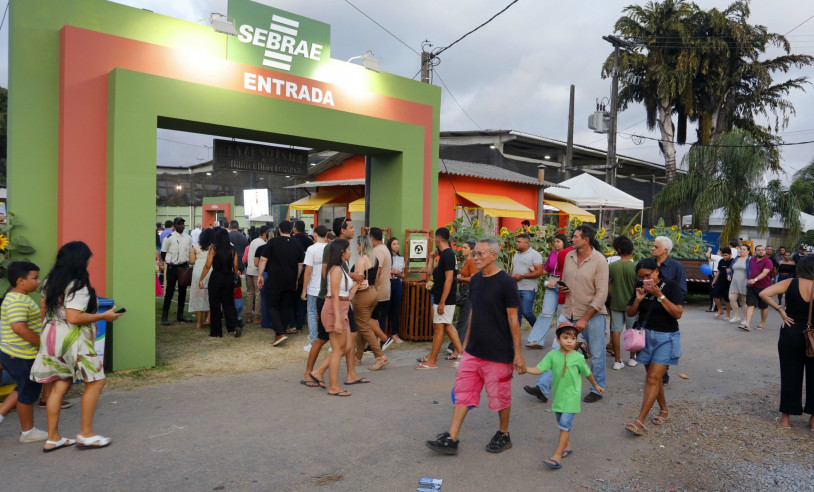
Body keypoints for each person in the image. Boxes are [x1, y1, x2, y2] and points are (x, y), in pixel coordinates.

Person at [425, 238, 524, 455]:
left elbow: (513, 319)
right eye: (475, 254)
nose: (475, 258)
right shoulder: (476, 280)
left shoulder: (506, 282)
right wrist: (465, 346)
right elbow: (473, 313)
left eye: (480, 254)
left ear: (493, 256)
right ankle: (452, 437)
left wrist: (518, 354)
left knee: (500, 396)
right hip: (474, 351)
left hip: (498, 352)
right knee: (463, 392)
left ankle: (503, 433)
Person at [31, 241, 124, 450]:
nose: (89, 261)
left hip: (51, 335)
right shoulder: (78, 285)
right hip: (73, 340)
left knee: (59, 384)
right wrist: (104, 316)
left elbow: (44, 307)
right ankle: (86, 433)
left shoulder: (49, 281)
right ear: (80, 260)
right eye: (88, 258)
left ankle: (53, 437)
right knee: (96, 382)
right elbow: (74, 317)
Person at [525, 323, 604, 469]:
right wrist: (525, 369)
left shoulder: (578, 358)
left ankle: (556, 456)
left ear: (576, 341)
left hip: (572, 398)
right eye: (565, 337)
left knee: (564, 426)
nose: (569, 341)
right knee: (562, 422)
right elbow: (539, 369)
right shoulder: (552, 356)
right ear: (558, 339)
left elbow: (588, 374)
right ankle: (567, 446)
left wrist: (596, 386)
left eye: (573, 338)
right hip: (559, 398)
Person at [624, 258, 684, 436]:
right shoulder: (640, 287)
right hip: (645, 338)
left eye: (647, 275)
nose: (644, 280)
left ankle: (639, 421)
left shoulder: (671, 286)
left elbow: (678, 313)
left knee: (652, 378)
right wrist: (638, 300)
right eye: (641, 277)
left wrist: (660, 296)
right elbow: (630, 312)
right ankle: (664, 410)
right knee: (654, 379)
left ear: (657, 271)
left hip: (666, 338)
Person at [554, 225, 608, 403]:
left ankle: (597, 389)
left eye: (576, 237)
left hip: (592, 315)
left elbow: (602, 294)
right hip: (569, 310)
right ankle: (543, 387)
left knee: (598, 354)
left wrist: (585, 318)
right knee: (557, 351)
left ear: (586, 240)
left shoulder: (599, 261)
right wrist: (563, 287)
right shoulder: (569, 256)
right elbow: (568, 280)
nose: (572, 239)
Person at [758, 256, 814, 430]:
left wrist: (780, 310)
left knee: (790, 374)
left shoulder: (790, 282)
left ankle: (786, 418)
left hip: (790, 330)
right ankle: (813, 420)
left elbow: (763, 293)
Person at [0, 261, 48, 444]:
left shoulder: (20, 298)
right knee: (27, 391)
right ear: (20, 281)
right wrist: (42, 343)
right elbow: (19, 328)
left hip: (18, 353)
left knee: (22, 387)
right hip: (19, 355)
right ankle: (28, 432)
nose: (38, 281)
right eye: (34, 278)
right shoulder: (17, 300)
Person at [319, 239, 361, 396]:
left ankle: (320, 373)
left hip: (342, 308)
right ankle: (333, 386)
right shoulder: (336, 270)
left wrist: (356, 286)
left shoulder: (341, 269)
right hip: (335, 310)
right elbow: (335, 297)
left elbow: (345, 297)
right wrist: (337, 319)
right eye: (348, 249)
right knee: (338, 350)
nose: (351, 251)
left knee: (346, 347)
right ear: (341, 252)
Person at [417, 227, 463, 369]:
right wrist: (432, 257)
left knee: (438, 329)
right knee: (447, 326)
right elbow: (432, 273)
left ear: (438, 238)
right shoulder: (444, 255)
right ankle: (462, 356)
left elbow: (449, 280)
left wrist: (442, 301)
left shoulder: (448, 255)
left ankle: (432, 361)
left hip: (444, 297)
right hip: (442, 296)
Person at [257, 220, 305, 346]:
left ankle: (280, 332)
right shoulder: (297, 244)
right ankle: (282, 330)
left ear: (279, 230)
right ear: (291, 230)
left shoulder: (273, 242)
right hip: (290, 279)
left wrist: (260, 275)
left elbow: (263, 259)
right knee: (285, 306)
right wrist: (297, 279)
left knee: (271, 305)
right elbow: (300, 264)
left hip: (275, 279)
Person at [351, 235, 389, 371]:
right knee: (363, 326)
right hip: (373, 293)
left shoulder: (361, 259)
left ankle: (380, 356)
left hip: (362, 296)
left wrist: (350, 295)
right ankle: (358, 356)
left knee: (364, 328)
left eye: (358, 244)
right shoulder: (375, 259)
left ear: (362, 245)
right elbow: (376, 279)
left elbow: (358, 280)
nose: (356, 247)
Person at [527, 234, 569, 350]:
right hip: (550, 283)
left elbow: (570, 273)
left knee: (562, 316)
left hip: (562, 284)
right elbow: (546, 269)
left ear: (564, 242)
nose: (555, 244)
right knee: (545, 312)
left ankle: (560, 342)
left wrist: (556, 281)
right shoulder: (553, 253)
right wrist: (535, 270)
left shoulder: (569, 255)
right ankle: (536, 340)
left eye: (558, 241)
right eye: (554, 241)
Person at [200, 228, 240, 338]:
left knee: (215, 304)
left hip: (216, 277)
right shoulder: (232, 249)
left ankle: (216, 331)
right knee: (229, 304)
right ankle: (234, 326)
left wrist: (201, 279)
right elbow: (235, 266)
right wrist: (235, 277)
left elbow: (208, 265)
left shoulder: (213, 248)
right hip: (228, 278)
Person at [607, 236, 638, 370]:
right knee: (632, 331)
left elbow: (607, 284)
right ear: (631, 251)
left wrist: (613, 295)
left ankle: (617, 361)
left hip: (616, 303)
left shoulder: (612, 266)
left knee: (616, 331)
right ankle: (632, 358)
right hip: (632, 305)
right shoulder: (635, 266)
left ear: (618, 250)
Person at [160, 217, 193, 326]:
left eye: (183, 223)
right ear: (174, 225)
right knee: (169, 291)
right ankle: (165, 316)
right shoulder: (169, 238)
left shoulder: (188, 238)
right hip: (172, 267)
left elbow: (189, 251)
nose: (181, 226)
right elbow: (163, 253)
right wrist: (169, 262)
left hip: (183, 266)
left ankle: (180, 315)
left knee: (182, 292)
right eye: (179, 224)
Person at [302, 225, 329, 351]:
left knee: (312, 314)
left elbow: (308, 271)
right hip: (328, 287)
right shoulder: (331, 248)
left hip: (313, 287)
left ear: (315, 233)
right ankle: (333, 344)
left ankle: (313, 342)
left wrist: (304, 290)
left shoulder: (311, 249)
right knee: (329, 315)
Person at [511, 233, 544, 330]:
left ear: (526, 243)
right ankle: (515, 338)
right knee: (517, 314)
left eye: (519, 242)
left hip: (528, 288)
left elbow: (539, 272)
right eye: (516, 241)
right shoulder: (516, 254)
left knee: (527, 312)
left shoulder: (535, 255)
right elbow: (513, 269)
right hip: (516, 288)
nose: (516, 243)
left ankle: (538, 331)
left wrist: (522, 275)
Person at [449, 240, 476, 353]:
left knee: (464, 319)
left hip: (468, 290)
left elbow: (473, 278)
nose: (462, 249)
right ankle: (457, 344)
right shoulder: (466, 261)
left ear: (471, 250)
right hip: (463, 289)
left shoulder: (472, 262)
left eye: (465, 247)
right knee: (463, 319)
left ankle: (455, 346)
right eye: (463, 247)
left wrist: (460, 279)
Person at [369, 228, 394, 349]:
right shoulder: (384, 248)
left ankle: (380, 341)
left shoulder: (377, 251)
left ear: (371, 238)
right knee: (376, 318)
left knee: (372, 318)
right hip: (384, 289)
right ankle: (376, 343)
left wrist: (372, 288)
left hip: (378, 290)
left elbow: (376, 272)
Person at [289, 220, 313, 334]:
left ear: (295, 228)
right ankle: (300, 326)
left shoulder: (291, 241)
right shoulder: (309, 241)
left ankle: (292, 324)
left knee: (291, 300)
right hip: (307, 273)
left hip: (293, 272)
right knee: (302, 300)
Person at [741, 244, 772, 331]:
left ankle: (762, 324)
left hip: (764, 288)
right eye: (759, 250)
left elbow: (765, 273)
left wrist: (755, 279)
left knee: (763, 307)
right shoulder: (752, 260)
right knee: (750, 305)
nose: (761, 251)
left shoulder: (768, 261)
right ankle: (747, 324)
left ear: (765, 251)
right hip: (751, 286)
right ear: (755, 251)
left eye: (762, 250)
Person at [188, 228, 213, 330]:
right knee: (209, 295)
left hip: (198, 272)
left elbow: (191, 261)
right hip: (210, 271)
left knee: (198, 295)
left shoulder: (196, 247)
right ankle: (208, 318)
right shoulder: (214, 247)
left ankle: (199, 322)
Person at [245, 225, 268, 325]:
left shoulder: (253, 241)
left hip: (249, 270)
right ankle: (257, 317)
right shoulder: (263, 244)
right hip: (257, 271)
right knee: (258, 294)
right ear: (265, 234)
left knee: (250, 293)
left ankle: (249, 316)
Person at [388, 236, 405, 344]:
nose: (396, 246)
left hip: (397, 284)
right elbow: (387, 271)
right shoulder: (387, 257)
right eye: (394, 244)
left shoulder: (401, 258)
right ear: (389, 246)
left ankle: (394, 333)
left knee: (396, 309)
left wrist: (395, 272)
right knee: (385, 308)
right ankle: (381, 335)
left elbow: (402, 274)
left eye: (397, 244)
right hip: (388, 284)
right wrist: (394, 271)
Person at [727, 244, 750, 325]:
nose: (741, 250)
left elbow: (753, 271)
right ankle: (736, 316)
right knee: (731, 298)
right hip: (734, 281)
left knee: (744, 301)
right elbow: (730, 268)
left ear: (748, 251)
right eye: (741, 249)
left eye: (744, 249)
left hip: (745, 281)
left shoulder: (750, 260)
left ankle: (746, 318)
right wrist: (728, 275)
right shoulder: (736, 259)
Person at [711, 247, 733, 320]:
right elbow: (719, 271)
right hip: (719, 281)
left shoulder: (733, 262)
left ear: (730, 254)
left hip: (728, 283)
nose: (724, 257)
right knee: (715, 295)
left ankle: (728, 314)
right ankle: (720, 310)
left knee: (727, 299)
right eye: (723, 255)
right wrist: (714, 281)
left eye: (726, 255)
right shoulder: (721, 261)